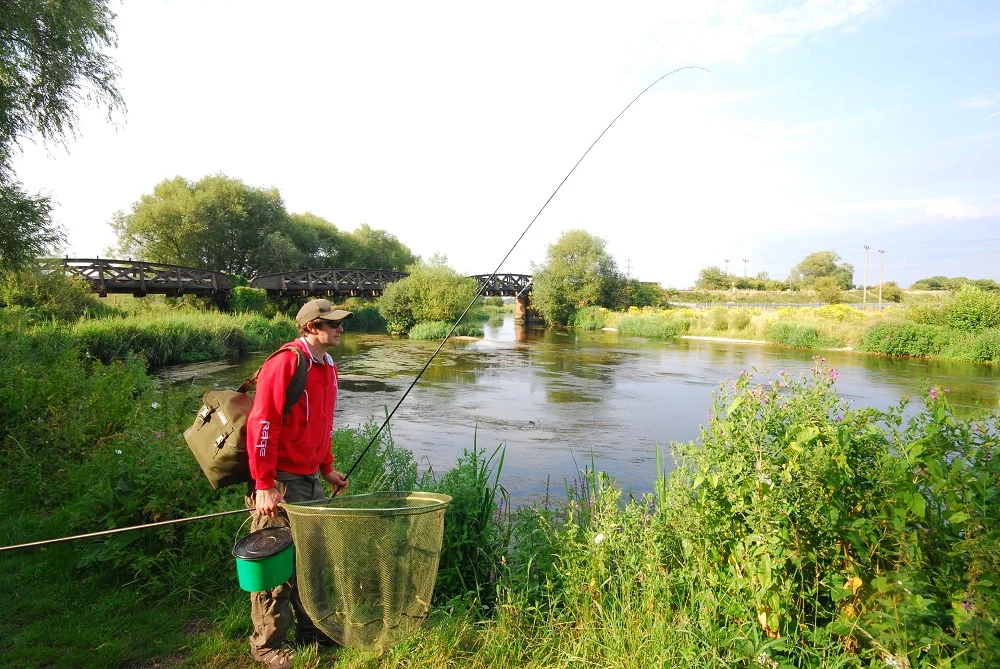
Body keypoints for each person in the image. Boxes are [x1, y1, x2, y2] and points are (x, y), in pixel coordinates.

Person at [244, 298, 352, 668]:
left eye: (341, 323)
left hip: (310, 478)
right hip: (280, 482)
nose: (340, 328)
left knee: (312, 559)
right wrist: (263, 483)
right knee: (274, 565)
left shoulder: (328, 365)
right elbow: (263, 423)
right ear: (311, 327)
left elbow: (321, 423)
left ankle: (313, 630)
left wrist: (326, 468)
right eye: (332, 323)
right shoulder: (286, 363)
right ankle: (268, 644)